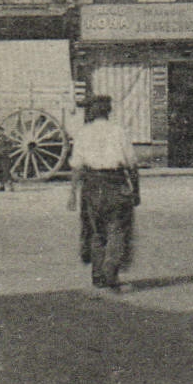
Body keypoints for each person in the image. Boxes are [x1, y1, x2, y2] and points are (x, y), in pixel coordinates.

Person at [67, 95, 139, 292]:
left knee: (96, 232)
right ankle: (110, 274)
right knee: (116, 230)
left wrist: (72, 194)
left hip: (91, 186)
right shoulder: (119, 132)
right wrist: (136, 191)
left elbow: (77, 166)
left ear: (92, 112)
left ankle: (98, 276)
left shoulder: (83, 133)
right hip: (115, 184)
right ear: (108, 111)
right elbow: (132, 164)